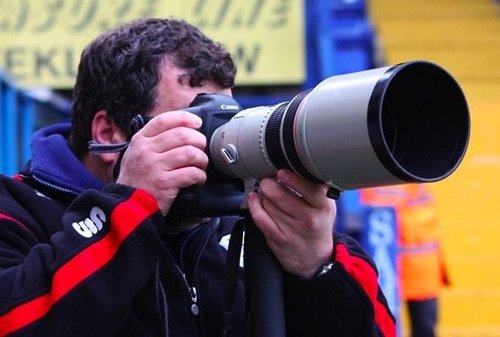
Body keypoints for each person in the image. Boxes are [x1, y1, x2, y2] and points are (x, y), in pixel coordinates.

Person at [0, 18, 395, 337]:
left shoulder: (251, 233)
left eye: (229, 120)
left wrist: (316, 267)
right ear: (110, 134)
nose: (218, 150)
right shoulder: (15, 215)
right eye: (199, 123)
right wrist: (127, 209)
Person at [360, 185, 449, 337]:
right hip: (400, 269)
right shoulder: (412, 178)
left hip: (417, 270)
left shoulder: (404, 181)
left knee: (420, 327)